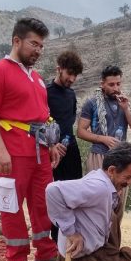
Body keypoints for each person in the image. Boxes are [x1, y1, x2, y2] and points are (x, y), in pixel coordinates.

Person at [0, 17, 60, 261]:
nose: (38, 50)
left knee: (43, 204)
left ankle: (46, 253)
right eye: (34, 44)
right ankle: (18, 258)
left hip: (40, 151)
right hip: (12, 151)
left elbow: (42, 116)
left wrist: (52, 144)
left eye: (41, 46)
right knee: (11, 205)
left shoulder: (36, 78)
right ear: (17, 41)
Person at [77, 65, 131, 233]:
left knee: (118, 203)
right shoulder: (92, 103)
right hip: (99, 156)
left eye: (118, 84)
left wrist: (126, 109)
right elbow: (81, 131)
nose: (116, 88)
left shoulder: (124, 102)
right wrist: (103, 139)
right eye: (111, 84)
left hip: (121, 160)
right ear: (102, 84)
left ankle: (112, 245)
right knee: (96, 201)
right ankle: (93, 239)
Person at [47, 50, 84, 242]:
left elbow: (68, 122)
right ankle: (54, 241)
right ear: (58, 69)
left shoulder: (71, 94)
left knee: (75, 192)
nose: (72, 79)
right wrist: (52, 145)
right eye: (69, 73)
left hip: (71, 149)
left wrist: (66, 144)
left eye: (75, 75)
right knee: (56, 194)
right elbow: (42, 122)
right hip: (52, 152)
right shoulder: (45, 92)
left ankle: (72, 236)